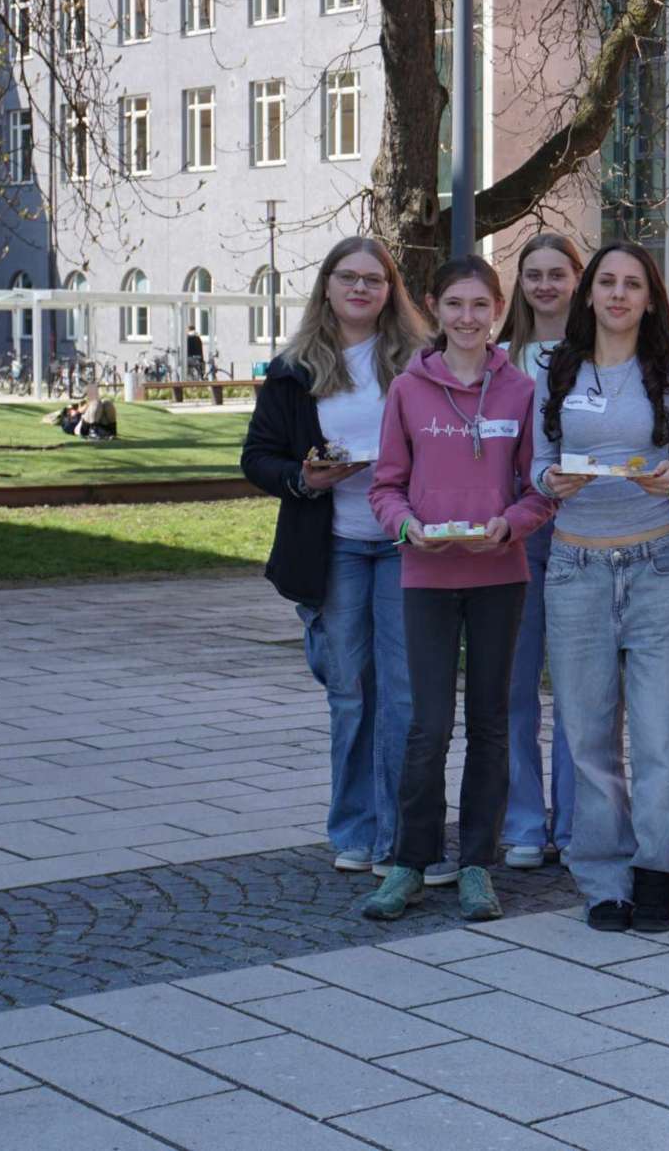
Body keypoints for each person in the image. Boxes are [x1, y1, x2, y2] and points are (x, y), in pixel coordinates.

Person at [362, 257, 554, 923]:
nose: (468, 318)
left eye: (480, 305)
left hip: (500, 576)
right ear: (434, 308)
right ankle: (411, 863)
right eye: (455, 305)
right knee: (427, 727)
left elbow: (538, 492)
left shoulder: (520, 392)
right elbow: (384, 485)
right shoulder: (408, 391)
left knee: (491, 726)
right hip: (427, 577)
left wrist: (510, 525)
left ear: (497, 310)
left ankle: (477, 864)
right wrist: (407, 526)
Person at [241, 238, 427, 877]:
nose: (360, 289)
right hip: (336, 545)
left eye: (374, 280)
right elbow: (256, 456)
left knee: (400, 696)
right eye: (348, 278)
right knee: (350, 693)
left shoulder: (418, 362)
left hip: (403, 544)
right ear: (326, 287)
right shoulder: (294, 368)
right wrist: (303, 476)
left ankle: (399, 836)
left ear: (390, 292)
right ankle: (354, 827)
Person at [532, 242, 669, 934]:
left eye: (633, 284)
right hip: (575, 567)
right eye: (607, 282)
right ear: (589, 293)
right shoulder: (555, 368)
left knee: (660, 734)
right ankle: (603, 876)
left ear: (650, 298)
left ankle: (659, 869)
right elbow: (540, 462)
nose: (619, 294)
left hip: (657, 564)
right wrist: (550, 482)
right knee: (588, 734)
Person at [499, 233, 585, 871]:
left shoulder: (601, 355)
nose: (547, 284)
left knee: (581, 687)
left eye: (558, 273)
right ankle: (525, 821)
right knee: (515, 684)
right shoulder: (500, 358)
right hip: (517, 533)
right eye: (534, 274)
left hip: (587, 530)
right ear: (520, 284)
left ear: (577, 279)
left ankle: (578, 820)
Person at [53, 378, 119, 440]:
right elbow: (78, 412)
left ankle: (112, 430)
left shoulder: (84, 406)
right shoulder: (68, 418)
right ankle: (93, 432)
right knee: (95, 402)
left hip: (97, 423)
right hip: (83, 428)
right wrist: (90, 402)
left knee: (107, 403)